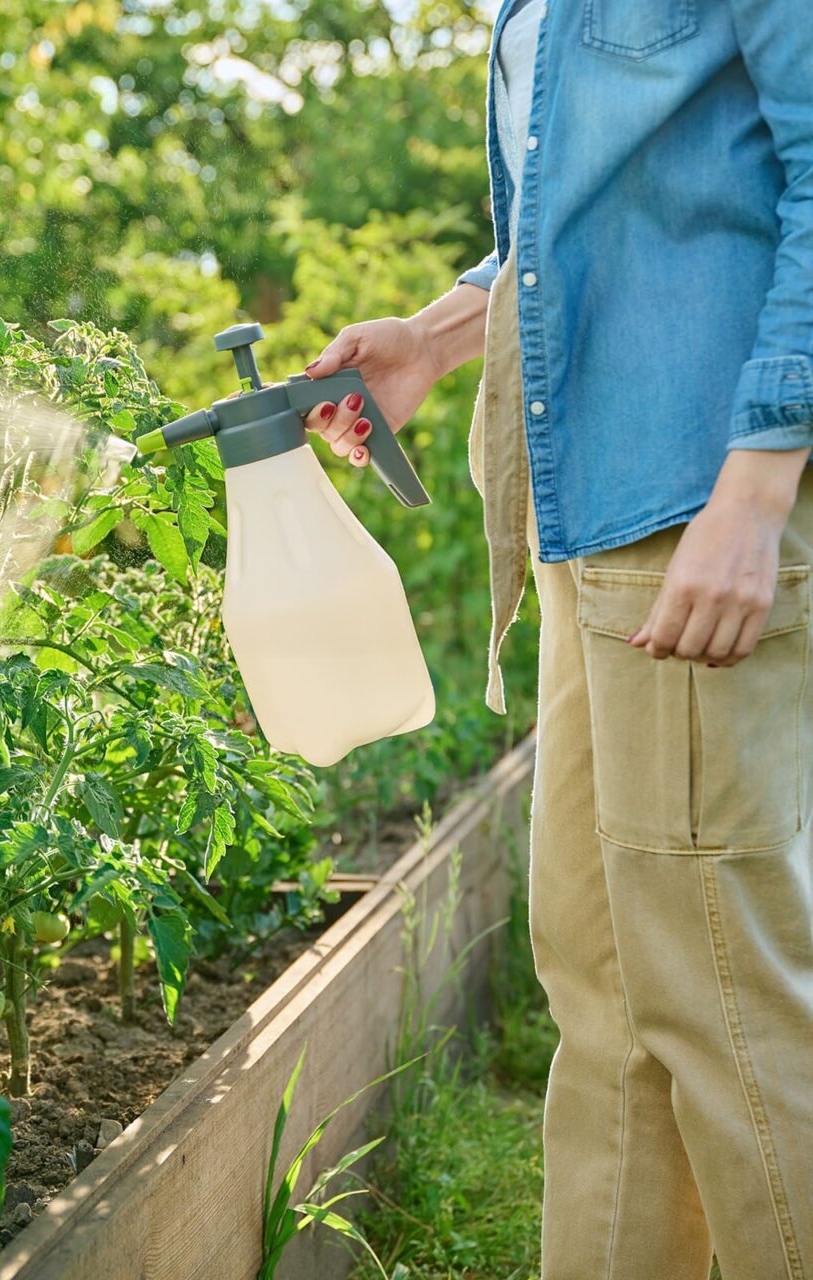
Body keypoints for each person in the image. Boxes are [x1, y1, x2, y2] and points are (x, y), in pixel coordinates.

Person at [300, 2, 813, 1276]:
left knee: (722, 998)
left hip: (695, 508)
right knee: (607, 988)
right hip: (590, 510)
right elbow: (598, 204)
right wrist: (436, 334)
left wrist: (755, 493)